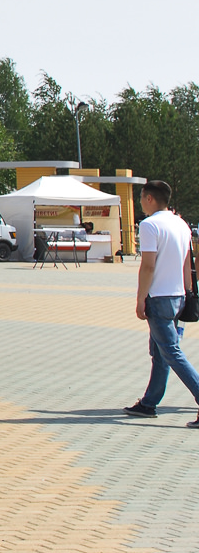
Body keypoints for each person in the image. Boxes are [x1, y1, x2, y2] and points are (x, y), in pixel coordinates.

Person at [124, 180, 199, 424]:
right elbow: (187, 264)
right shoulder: (181, 224)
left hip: (158, 298)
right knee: (160, 352)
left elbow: (148, 266)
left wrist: (140, 299)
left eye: (141, 198)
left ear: (149, 198)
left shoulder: (149, 225)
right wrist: (188, 294)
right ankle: (149, 403)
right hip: (178, 296)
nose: (140, 202)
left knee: (171, 352)